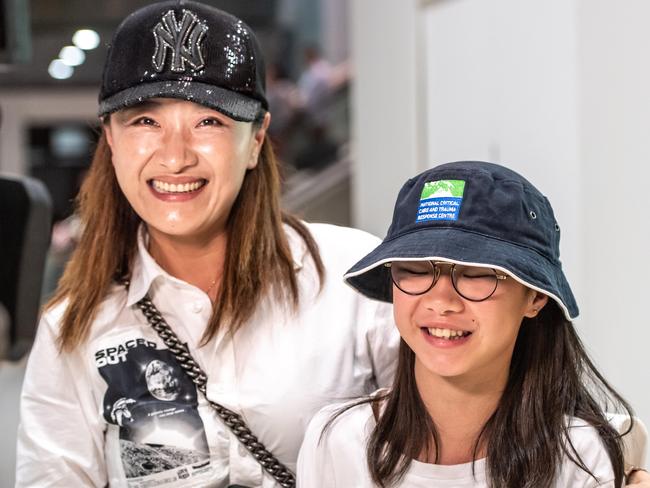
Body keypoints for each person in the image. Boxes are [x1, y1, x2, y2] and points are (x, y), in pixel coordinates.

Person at [15, 2, 398, 487]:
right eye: (145, 122)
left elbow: (435, 454)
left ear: (257, 139)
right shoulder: (75, 325)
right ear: (110, 140)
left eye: (209, 122)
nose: (175, 157)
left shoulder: (354, 279)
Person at [298, 161, 649, 487]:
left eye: (478, 275)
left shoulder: (581, 456)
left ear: (536, 297)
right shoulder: (337, 441)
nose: (441, 301)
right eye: (417, 269)